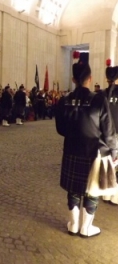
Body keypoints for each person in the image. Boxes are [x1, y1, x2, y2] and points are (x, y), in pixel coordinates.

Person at [55, 61, 116, 238]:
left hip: (71, 150)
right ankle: (86, 228)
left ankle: (73, 225)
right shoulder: (98, 99)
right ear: (90, 79)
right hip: (93, 152)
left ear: (73, 79)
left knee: (73, 189)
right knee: (91, 190)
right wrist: (114, 151)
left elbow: (60, 129)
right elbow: (108, 131)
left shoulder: (64, 100)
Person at [102, 65, 118, 205]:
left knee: (107, 163)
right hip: (117, 133)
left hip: (104, 135)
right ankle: (115, 196)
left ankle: (106, 193)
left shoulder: (102, 94)